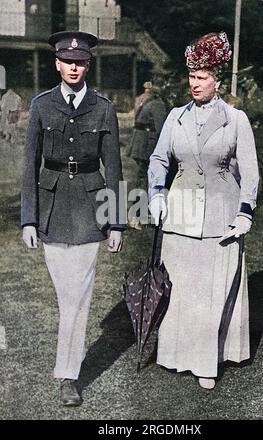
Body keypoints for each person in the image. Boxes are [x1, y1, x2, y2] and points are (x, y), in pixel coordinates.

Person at [148, 32, 259, 390]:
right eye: (192, 77)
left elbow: (251, 170)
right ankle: (176, 356)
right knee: (180, 288)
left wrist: (244, 213)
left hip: (219, 216)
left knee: (211, 290)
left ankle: (206, 362)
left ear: (218, 81)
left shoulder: (235, 119)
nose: (195, 84)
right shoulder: (176, 116)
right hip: (180, 213)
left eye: (203, 77)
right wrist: (156, 194)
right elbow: (159, 158)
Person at [21, 31, 125, 406]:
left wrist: (115, 222)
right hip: (50, 210)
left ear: (88, 65)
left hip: (87, 211)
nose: (74, 67)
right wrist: (28, 219)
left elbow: (113, 168)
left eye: (80, 62)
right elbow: (29, 166)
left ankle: (68, 377)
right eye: (68, 61)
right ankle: (68, 366)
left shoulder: (103, 108)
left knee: (78, 300)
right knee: (67, 298)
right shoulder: (41, 105)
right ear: (57, 64)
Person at [127, 81, 166, 190]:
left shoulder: (147, 100)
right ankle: (142, 201)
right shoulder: (158, 104)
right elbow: (160, 128)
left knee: (141, 173)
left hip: (139, 141)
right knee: (146, 174)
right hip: (147, 143)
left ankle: (138, 200)